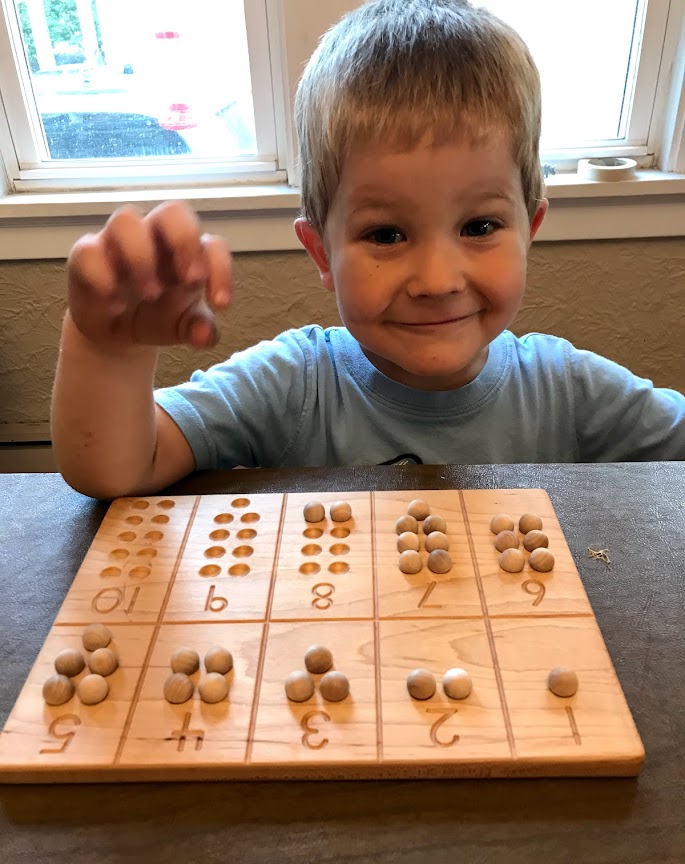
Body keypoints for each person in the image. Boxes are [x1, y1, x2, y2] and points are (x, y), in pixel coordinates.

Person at [51, 0, 685, 499]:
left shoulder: (568, 390)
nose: (437, 279)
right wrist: (108, 347)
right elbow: (119, 470)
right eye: (386, 235)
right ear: (321, 254)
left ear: (531, 228)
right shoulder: (295, 385)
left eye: (480, 227)